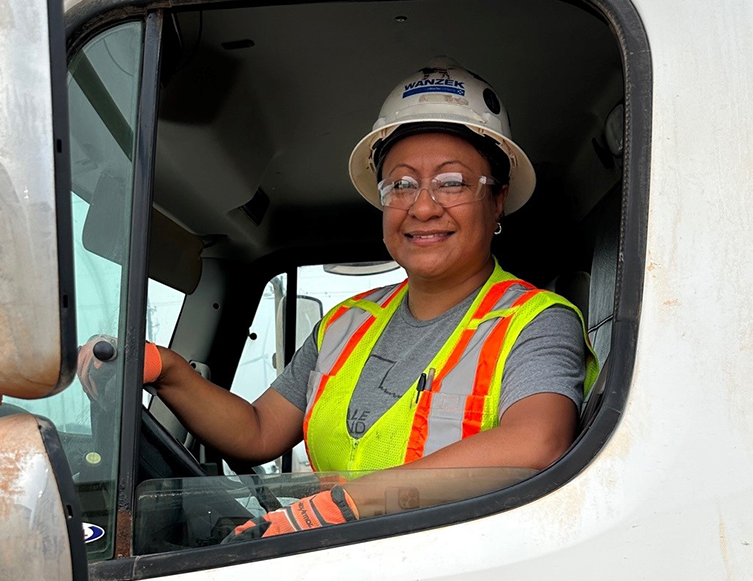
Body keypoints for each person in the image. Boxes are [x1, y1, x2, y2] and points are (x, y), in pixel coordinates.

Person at [80, 57, 597, 541]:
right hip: (337, 576)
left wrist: (339, 508)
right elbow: (258, 431)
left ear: (498, 196)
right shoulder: (345, 324)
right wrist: (165, 368)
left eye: (452, 182)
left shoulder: (536, 322)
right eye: (400, 185)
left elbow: (537, 443)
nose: (422, 207)